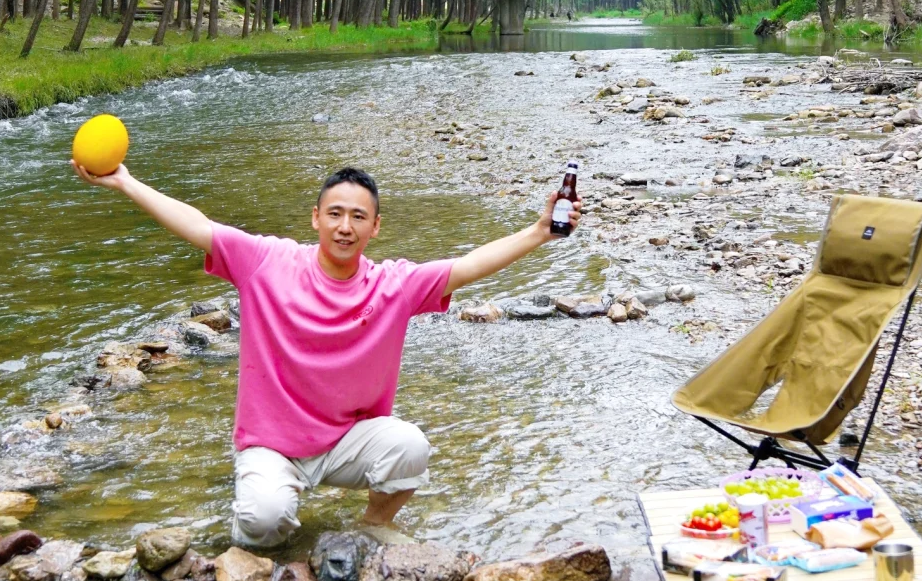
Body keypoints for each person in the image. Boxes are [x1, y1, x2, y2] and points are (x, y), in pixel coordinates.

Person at [72, 158, 581, 548]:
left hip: (347, 443)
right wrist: (125, 182)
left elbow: (468, 265)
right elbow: (195, 225)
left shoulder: (394, 285)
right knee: (262, 525)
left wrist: (539, 232)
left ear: (375, 227)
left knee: (410, 445)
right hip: (273, 444)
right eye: (334, 213)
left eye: (358, 217)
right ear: (315, 218)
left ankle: (371, 527)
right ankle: (266, 539)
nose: (345, 226)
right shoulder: (265, 262)